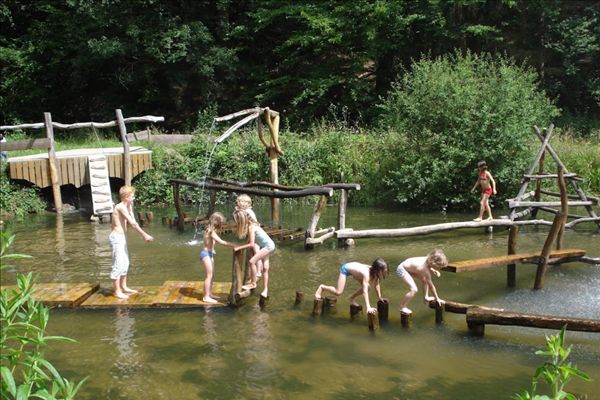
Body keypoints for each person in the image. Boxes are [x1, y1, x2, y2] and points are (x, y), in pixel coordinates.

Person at [109, 185, 153, 299]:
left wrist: (130, 208)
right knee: (118, 264)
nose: (133, 198)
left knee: (125, 262)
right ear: (126, 197)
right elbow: (132, 223)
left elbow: (132, 219)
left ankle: (124, 287)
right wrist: (144, 235)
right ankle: (117, 291)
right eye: (132, 196)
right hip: (116, 238)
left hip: (122, 237)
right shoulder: (120, 207)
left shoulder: (126, 206)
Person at [314, 258, 388, 314]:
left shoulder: (375, 273)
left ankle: (351, 298)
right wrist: (368, 307)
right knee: (338, 292)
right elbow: (365, 292)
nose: (385, 272)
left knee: (368, 287)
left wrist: (380, 297)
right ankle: (322, 287)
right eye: (383, 270)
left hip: (356, 271)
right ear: (377, 270)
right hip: (346, 269)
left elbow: (377, 285)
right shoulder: (366, 274)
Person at [233, 209, 275, 298]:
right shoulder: (252, 225)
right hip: (267, 245)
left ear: (242, 220)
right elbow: (251, 240)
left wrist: (239, 247)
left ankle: (253, 283)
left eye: (237, 221)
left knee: (252, 262)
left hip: (268, 246)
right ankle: (265, 290)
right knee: (265, 268)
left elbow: (252, 244)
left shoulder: (251, 227)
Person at [199, 212, 236, 303]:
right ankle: (206, 297)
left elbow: (209, 243)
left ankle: (209, 293)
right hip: (206, 254)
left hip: (209, 254)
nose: (221, 224)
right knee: (209, 276)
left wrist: (212, 249)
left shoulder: (211, 230)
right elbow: (221, 242)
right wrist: (235, 245)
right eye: (220, 222)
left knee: (212, 275)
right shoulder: (210, 231)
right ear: (216, 221)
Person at [396, 249, 447, 314]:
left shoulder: (428, 260)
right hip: (402, 269)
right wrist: (437, 298)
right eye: (438, 267)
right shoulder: (424, 269)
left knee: (424, 280)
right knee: (414, 289)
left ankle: (426, 297)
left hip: (408, 267)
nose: (439, 268)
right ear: (433, 263)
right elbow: (431, 286)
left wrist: (433, 270)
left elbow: (428, 266)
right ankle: (402, 307)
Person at [235, 194, 263, 278]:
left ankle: (259, 271)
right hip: (253, 232)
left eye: (239, 202)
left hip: (255, 233)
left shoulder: (247, 211)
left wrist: (237, 210)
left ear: (244, 203)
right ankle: (256, 270)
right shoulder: (247, 210)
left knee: (257, 252)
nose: (237, 203)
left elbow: (241, 215)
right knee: (255, 251)